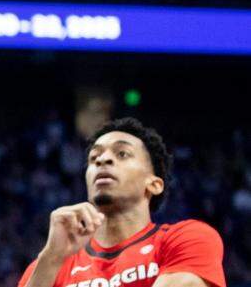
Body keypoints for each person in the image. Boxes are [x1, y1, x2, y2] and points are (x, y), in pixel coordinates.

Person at [18, 118, 226, 287]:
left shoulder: (187, 239)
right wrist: (51, 256)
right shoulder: (49, 266)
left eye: (122, 154)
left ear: (154, 184)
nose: (102, 160)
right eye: (94, 157)